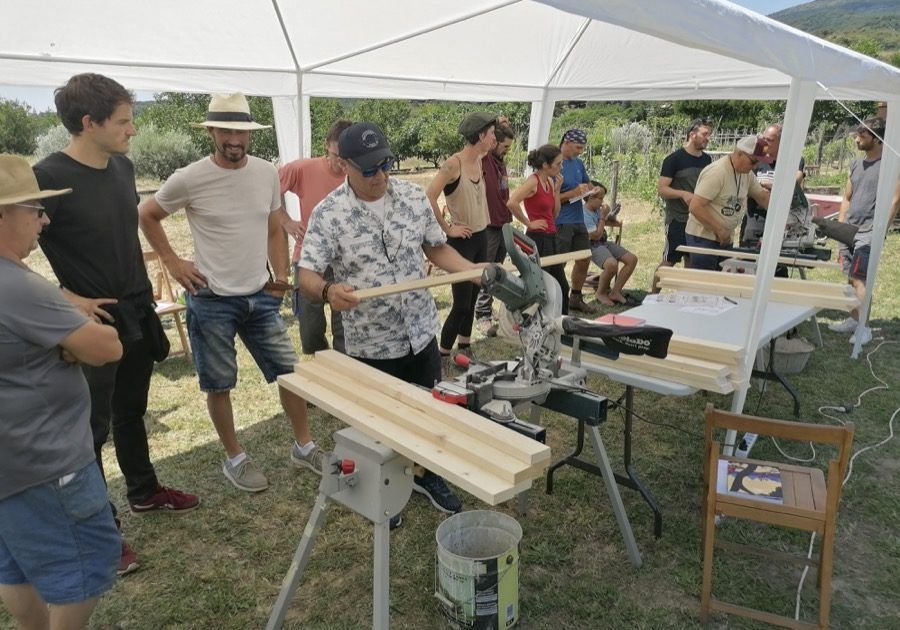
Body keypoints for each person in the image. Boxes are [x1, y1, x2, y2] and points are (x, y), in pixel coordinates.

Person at [33, 73, 199, 578]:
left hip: (137, 312)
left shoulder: (122, 167)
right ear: (89, 122)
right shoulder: (47, 176)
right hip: (93, 325)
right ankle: (97, 529)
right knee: (89, 431)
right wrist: (65, 297)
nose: (133, 130)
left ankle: (144, 492)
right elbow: (7, 250)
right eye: (124, 121)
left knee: (131, 411)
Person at [138, 93, 326, 493]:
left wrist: (279, 275)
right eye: (225, 130)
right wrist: (173, 262)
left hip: (260, 295)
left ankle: (304, 446)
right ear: (211, 131)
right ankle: (236, 458)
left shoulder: (266, 173)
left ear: (250, 134)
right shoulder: (189, 177)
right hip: (210, 299)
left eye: (241, 131)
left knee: (290, 373)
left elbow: (274, 226)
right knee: (219, 383)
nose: (234, 139)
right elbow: (147, 214)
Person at [298, 122, 486, 517]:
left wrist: (471, 270)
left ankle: (425, 474)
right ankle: (385, 493)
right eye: (369, 169)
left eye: (386, 164)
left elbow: (436, 249)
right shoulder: (329, 214)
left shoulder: (413, 198)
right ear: (344, 165)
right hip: (371, 343)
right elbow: (307, 275)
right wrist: (328, 291)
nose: (380, 176)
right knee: (380, 426)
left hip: (419, 331)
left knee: (429, 411)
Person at [0, 154, 122, 630]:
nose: (45, 220)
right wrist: (70, 333)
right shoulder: (18, 286)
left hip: (11, 463)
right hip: (45, 462)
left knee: (15, 563)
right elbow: (106, 348)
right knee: (89, 564)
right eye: (35, 208)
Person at [426, 111, 496, 361]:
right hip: (461, 242)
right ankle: (443, 356)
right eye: (492, 134)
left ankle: (465, 348)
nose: (495, 138)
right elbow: (429, 196)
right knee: (461, 304)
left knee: (474, 297)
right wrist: (447, 229)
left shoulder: (480, 159)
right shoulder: (453, 164)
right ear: (481, 135)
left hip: (480, 236)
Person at [279, 118, 353, 354]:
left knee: (345, 328)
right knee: (310, 331)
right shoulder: (303, 169)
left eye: (347, 157)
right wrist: (286, 220)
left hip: (345, 259)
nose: (341, 163)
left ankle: (342, 367)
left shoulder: (357, 174)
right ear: (327, 145)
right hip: (309, 258)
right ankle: (321, 359)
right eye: (336, 156)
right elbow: (267, 190)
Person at [828, 117, 894, 346]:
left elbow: (895, 200)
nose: (857, 139)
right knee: (850, 278)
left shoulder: (890, 165)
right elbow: (847, 197)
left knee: (860, 279)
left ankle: (864, 328)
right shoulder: (856, 164)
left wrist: (880, 231)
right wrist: (840, 225)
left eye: (862, 136)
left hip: (869, 231)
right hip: (849, 229)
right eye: (857, 135)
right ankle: (854, 319)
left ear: (877, 138)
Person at [684, 135, 771, 271]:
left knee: (723, 278)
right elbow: (695, 206)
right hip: (703, 238)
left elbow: (763, 197)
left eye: (758, 163)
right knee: (705, 281)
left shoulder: (747, 174)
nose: (756, 166)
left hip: (724, 237)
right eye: (753, 162)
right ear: (740, 154)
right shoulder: (717, 172)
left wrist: (784, 214)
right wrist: (719, 229)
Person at [653, 118, 713, 292]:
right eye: (705, 134)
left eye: (709, 134)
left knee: (693, 261)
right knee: (669, 261)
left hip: (698, 219)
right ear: (692, 135)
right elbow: (662, 189)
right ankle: (652, 297)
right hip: (678, 219)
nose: (708, 138)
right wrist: (683, 194)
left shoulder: (707, 160)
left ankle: (687, 297)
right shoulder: (674, 159)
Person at [506, 144, 569, 305]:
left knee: (561, 286)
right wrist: (529, 223)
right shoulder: (533, 181)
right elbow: (512, 203)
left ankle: (560, 319)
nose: (561, 167)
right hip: (538, 239)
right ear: (545, 165)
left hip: (551, 237)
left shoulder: (549, 181)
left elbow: (554, 214)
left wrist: (557, 191)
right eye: (558, 164)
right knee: (541, 286)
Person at [474, 122, 515, 335]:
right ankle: (482, 315)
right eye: (505, 146)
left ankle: (488, 308)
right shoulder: (486, 158)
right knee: (487, 272)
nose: (507, 150)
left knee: (498, 271)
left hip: (503, 223)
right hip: (489, 226)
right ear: (493, 142)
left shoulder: (500, 162)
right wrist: (493, 125)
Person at [556, 129, 602, 313]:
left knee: (584, 258)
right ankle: (556, 299)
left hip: (578, 219)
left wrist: (594, 190)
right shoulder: (554, 163)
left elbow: (587, 185)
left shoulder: (578, 163)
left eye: (582, 148)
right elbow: (549, 198)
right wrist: (571, 194)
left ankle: (575, 297)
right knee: (559, 262)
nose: (580, 152)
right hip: (560, 221)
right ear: (566, 142)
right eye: (577, 148)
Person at [741, 123, 809, 247]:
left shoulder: (793, 161)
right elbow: (745, 183)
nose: (764, 143)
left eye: (770, 140)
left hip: (781, 220)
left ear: (782, 142)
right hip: (756, 217)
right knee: (748, 253)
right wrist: (773, 187)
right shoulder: (756, 158)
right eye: (763, 138)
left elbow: (792, 184)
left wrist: (761, 184)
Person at [583, 181, 638, 305]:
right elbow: (596, 235)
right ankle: (600, 293)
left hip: (603, 242)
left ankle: (615, 292)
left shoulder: (597, 210)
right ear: (590, 197)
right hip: (592, 245)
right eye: (600, 198)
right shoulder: (585, 213)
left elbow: (607, 221)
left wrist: (611, 215)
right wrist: (603, 217)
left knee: (632, 259)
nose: (602, 202)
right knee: (612, 265)